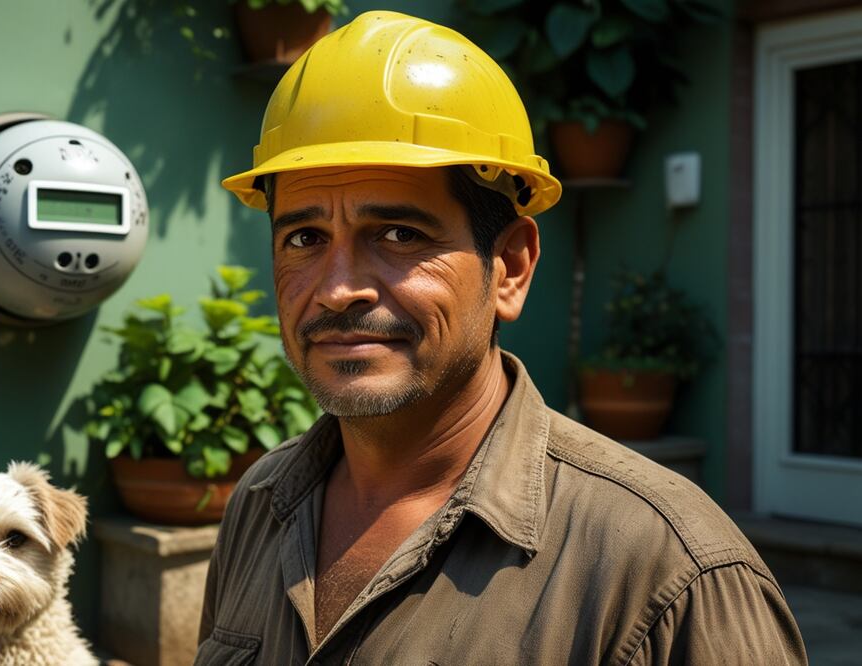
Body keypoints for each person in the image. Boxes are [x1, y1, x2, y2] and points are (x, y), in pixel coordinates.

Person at [196, 10, 806, 665]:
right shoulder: (260, 506)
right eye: (305, 238)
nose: (338, 289)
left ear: (511, 267)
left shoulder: (666, 573)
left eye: (400, 235)